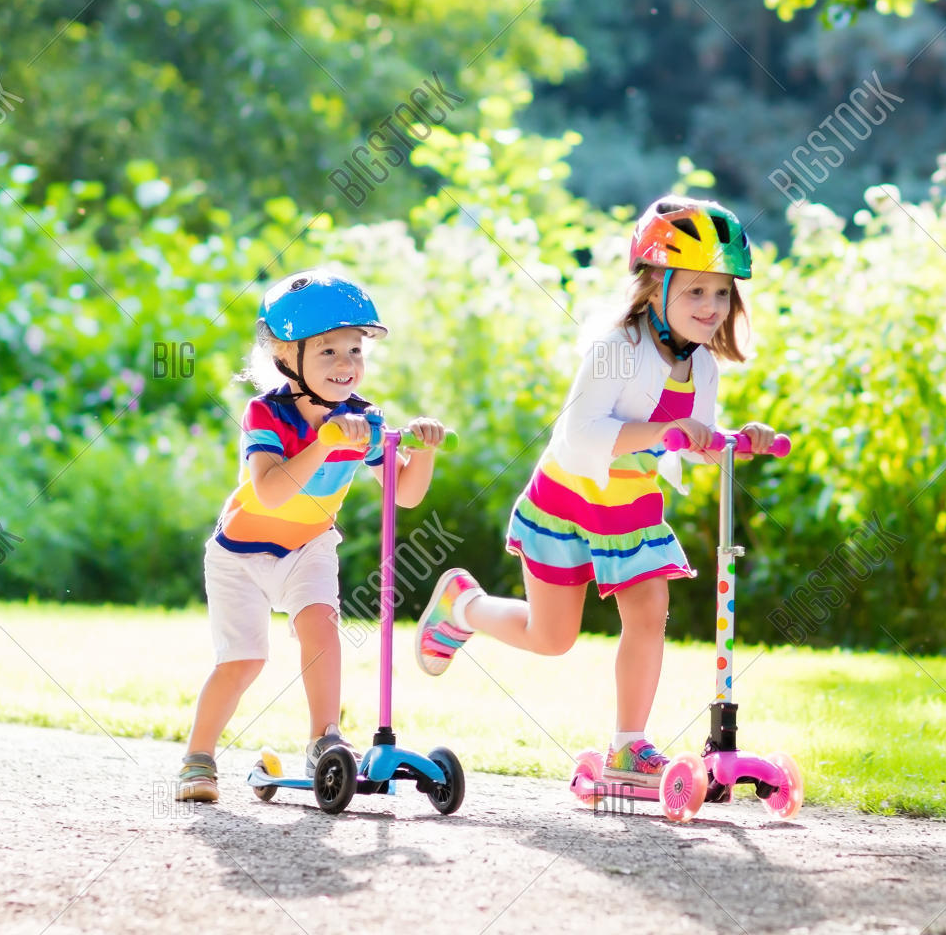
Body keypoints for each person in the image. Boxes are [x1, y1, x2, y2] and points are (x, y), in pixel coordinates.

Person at [415, 196, 776, 786]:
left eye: (721, 292)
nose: (711, 307)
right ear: (654, 288)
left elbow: (693, 441)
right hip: (567, 501)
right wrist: (663, 431)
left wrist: (740, 440)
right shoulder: (615, 350)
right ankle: (463, 606)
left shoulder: (703, 366)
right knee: (552, 638)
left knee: (649, 611)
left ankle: (627, 748)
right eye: (695, 291)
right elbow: (578, 434)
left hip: (631, 509)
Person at [175, 269, 447, 802]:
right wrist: (323, 444)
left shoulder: (365, 419)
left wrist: (426, 449)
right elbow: (271, 490)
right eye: (328, 352)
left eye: (355, 350)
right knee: (243, 660)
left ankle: (325, 740)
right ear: (285, 354)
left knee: (321, 631)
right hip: (241, 554)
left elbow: (405, 494)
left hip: (310, 545)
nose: (347, 365)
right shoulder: (267, 413)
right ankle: (198, 758)